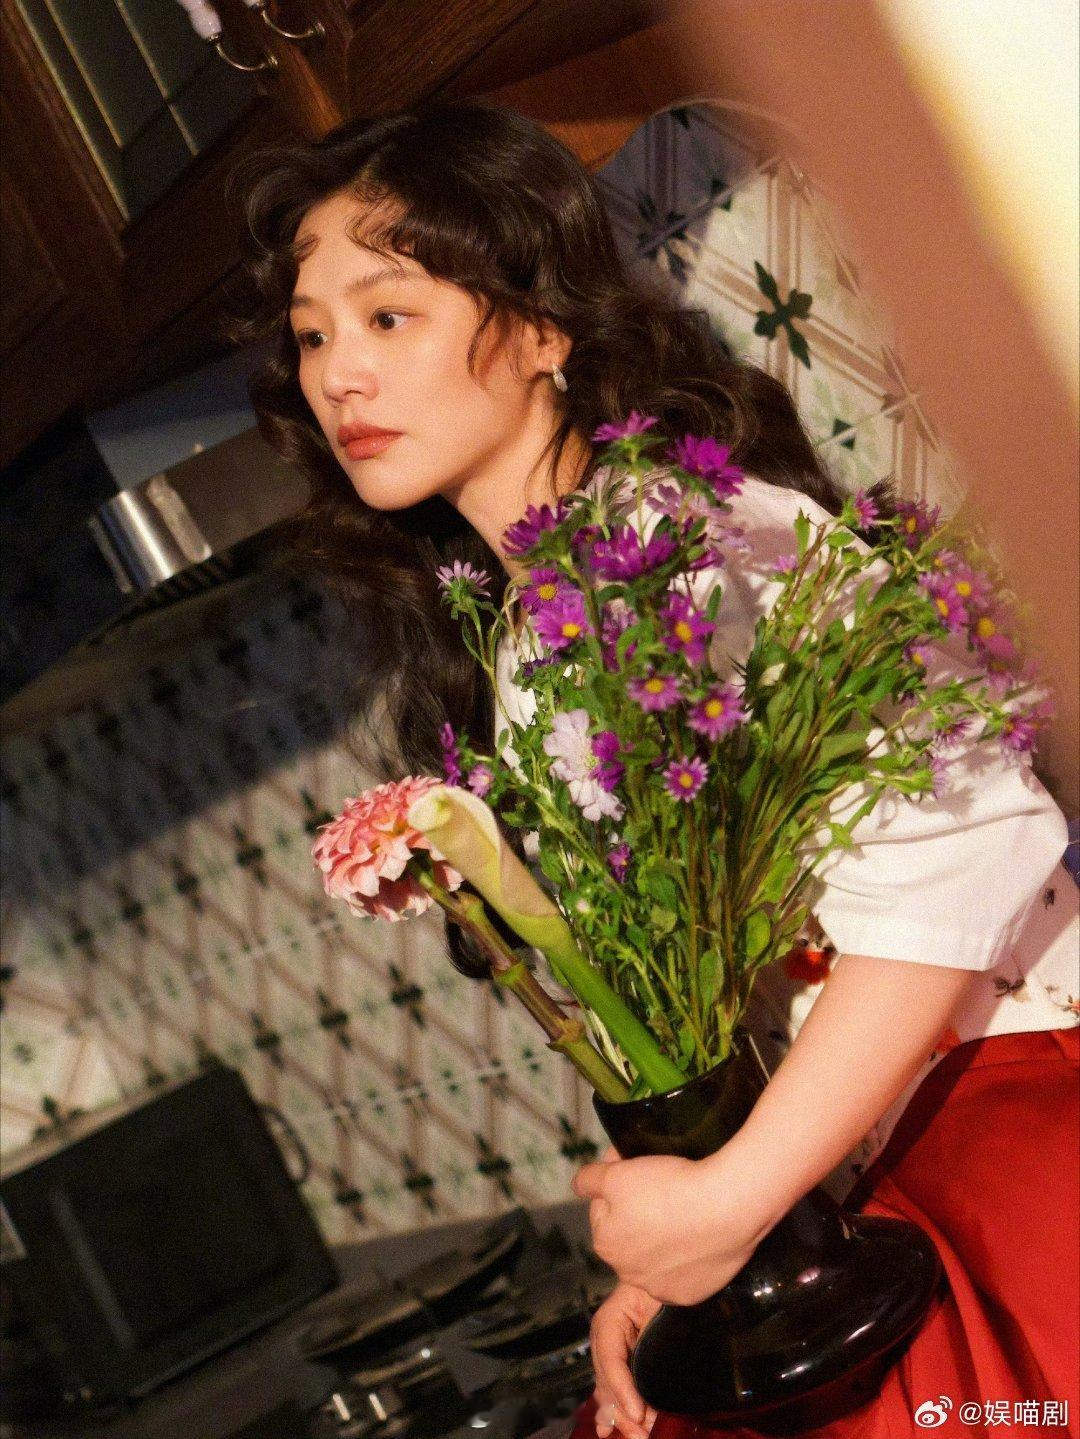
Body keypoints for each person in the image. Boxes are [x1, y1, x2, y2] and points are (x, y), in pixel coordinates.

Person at [229, 101, 1079, 1437]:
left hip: (1001, 1118)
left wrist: (733, 1203)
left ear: (545, 330)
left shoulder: (699, 542)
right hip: (851, 1166)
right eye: (314, 335)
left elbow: (973, 845)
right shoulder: (527, 634)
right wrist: (680, 1256)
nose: (339, 375)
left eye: (388, 316)